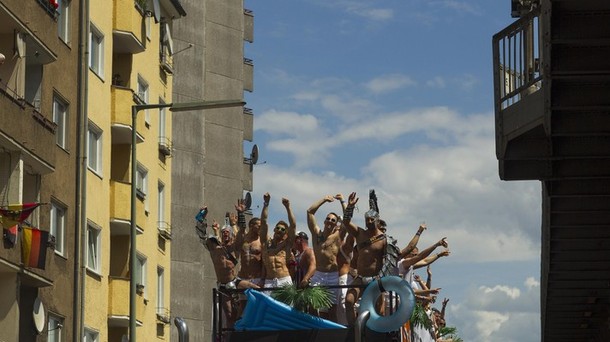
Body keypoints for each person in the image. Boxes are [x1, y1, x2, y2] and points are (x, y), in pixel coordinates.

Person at [342, 191, 401, 326]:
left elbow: (390, 262)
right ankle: (353, 331)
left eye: (371, 220)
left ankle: (375, 335)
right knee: (349, 301)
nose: (368, 222)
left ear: (377, 220)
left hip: (376, 279)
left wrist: (380, 279)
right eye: (366, 220)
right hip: (360, 277)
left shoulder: (385, 240)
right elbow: (346, 222)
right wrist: (350, 207)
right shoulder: (360, 233)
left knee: (377, 310)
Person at [195, 206, 258, 328]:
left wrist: (240, 214)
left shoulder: (234, 247)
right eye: (223, 233)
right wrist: (201, 217)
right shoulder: (214, 248)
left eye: (227, 233)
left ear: (231, 234)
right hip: (223, 285)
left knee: (257, 289)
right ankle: (230, 336)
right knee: (229, 315)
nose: (225, 235)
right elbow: (201, 235)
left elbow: (241, 232)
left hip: (235, 281)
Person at [305, 194, 346, 320]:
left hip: (333, 275)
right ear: (324, 221)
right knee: (311, 305)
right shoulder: (317, 234)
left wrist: (342, 201)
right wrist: (324, 200)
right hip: (319, 275)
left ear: (335, 224)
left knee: (332, 311)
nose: (330, 221)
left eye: (333, 220)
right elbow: (310, 212)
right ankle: (315, 331)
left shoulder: (338, 236)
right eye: (328, 219)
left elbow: (347, 220)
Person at [261, 193, 297, 289]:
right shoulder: (266, 242)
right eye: (278, 228)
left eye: (282, 229)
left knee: (286, 305)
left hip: (284, 279)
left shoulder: (287, 244)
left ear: (285, 233)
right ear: (274, 229)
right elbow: (263, 222)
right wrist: (266, 203)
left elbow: (293, 225)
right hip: (269, 281)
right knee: (268, 304)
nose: (279, 230)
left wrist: (288, 207)